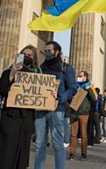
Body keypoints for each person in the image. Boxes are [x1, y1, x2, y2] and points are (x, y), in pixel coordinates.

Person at [0, 45, 41, 169]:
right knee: (7, 150)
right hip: (11, 116)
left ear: (34, 58)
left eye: (29, 55)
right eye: (24, 54)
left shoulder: (39, 75)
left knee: (22, 151)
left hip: (27, 118)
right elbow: (0, 89)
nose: (26, 57)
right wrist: (12, 74)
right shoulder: (9, 71)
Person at [34, 41, 78, 169]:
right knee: (39, 144)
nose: (46, 52)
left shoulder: (66, 68)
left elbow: (73, 88)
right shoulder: (40, 68)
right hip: (40, 110)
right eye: (45, 50)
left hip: (57, 110)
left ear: (57, 51)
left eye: (49, 50)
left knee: (57, 144)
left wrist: (61, 98)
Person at [69, 71, 96, 160]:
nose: (78, 77)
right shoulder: (75, 86)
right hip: (74, 112)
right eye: (78, 76)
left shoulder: (89, 86)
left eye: (80, 76)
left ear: (85, 77)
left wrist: (89, 89)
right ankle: (72, 154)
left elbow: (94, 99)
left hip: (84, 113)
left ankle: (84, 154)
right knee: (73, 135)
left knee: (84, 134)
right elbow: (70, 98)